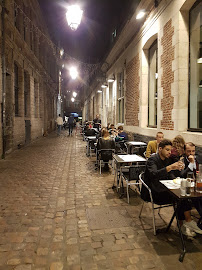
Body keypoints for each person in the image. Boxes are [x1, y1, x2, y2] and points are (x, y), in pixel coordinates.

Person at [141, 139, 202, 236]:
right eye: (167, 150)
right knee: (181, 198)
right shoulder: (152, 160)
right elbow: (154, 174)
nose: (170, 152)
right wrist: (170, 167)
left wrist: (176, 180)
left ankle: (185, 224)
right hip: (154, 192)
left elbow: (170, 175)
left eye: (170, 150)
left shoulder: (168, 159)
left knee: (183, 196)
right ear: (160, 149)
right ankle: (186, 223)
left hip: (165, 188)